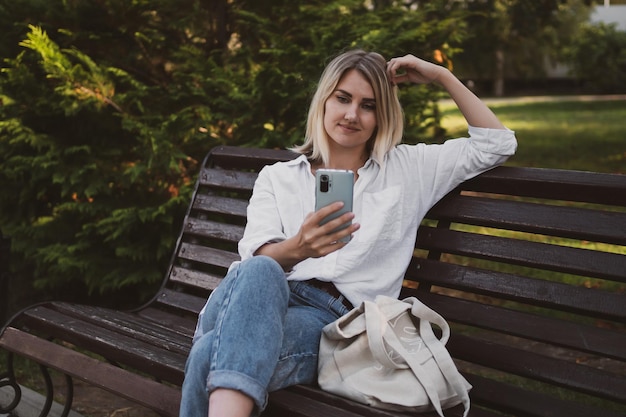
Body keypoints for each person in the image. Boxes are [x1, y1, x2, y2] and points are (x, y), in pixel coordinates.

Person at [180, 49, 517, 417]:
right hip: (263, 298)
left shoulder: (408, 170)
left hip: (333, 324)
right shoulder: (277, 178)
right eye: (343, 98)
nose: (352, 114)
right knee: (261, 270)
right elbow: (256, 261)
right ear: (324, 101)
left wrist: (442, 77)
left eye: (368, 105)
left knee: (206, 355)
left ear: (381, 116)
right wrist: (299, 247)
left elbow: (497, 144)